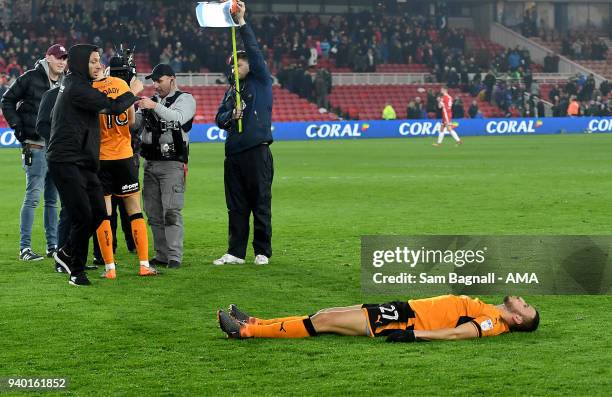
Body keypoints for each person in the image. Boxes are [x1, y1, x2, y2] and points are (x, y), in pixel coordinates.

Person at [48, 44, 143, 286]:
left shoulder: (78, 85)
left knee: (99, 212)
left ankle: (66, 252)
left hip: (84, 161)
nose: (98, 65)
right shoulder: (77, 88)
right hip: (66, 160)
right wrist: (133, 91)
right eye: (92, 61)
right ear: (80, 63)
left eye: (99, 60)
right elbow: (112, 107)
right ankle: (76, 271)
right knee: (82, 215)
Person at [213, 1, 274, 266]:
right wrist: (231, 116)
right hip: (234, 154)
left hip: (256, 151)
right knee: (236, 205)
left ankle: (262, 251)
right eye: (233, 65)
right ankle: (236, 252)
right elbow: (218, 119)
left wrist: (242, 23)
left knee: (260, 203)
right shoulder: (231, 91)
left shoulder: (261, 81)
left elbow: (255, 51)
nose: (235, 67)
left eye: (240, 63)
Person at [217, 294, 540, 342]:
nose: (523, 302)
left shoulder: (493, 323)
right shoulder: (491, 309)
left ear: (519, 321)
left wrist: (415, 336)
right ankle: (258, 322)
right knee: (326, 314)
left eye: (526, 308)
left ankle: (246, 333)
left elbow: (457, 334)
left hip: (404, 321)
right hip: (403, 308)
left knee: (326, 321)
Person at [92, 57, 158, 279]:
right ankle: (144, 264)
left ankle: (110, 268)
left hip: (101, 158)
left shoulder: (89, 90)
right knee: (135, 211)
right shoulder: (121, 86)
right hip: (124, 156)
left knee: (105, 214)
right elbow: (131, 122)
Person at [1, 44, 67, 261]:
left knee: (52, 200)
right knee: (33, 197)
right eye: (58, 58)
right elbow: (7, 100)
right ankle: (25, 248)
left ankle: (52, 246)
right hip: (35, 145)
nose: (62, 62)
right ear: (47, 58)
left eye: (64, 58)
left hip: (55, 147)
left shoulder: (65, 82)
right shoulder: (30, 77)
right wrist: (18, 127)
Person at [134, 63, 196, 269]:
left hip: (172, 164)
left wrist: (154, 106)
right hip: (150, 163)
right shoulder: (150, 102)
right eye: (154, 81)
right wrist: (130, 106)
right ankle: (161, 254)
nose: (156, 85)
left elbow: (178, 119)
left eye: (159, 81)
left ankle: (174, 256)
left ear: (172, 79)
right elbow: (134, 126)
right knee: (152, 212)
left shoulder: (185, 99)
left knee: (171, 211)